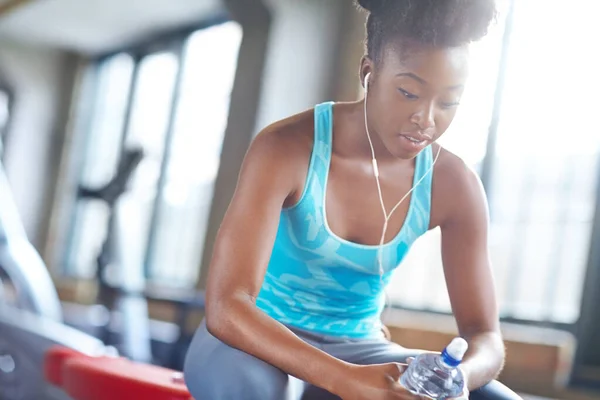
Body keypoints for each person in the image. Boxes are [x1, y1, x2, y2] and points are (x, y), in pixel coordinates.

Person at [184, 0, 521, 399]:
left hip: (362, 348)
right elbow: (227, 307)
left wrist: (458, 378)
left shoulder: (454, 185)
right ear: (368, 73)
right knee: (257, 390)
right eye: (409, 92)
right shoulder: (287, 147)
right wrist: (343, 379)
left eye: (448, 102)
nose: (427, 119)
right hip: (250, 341)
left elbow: (485, 336)